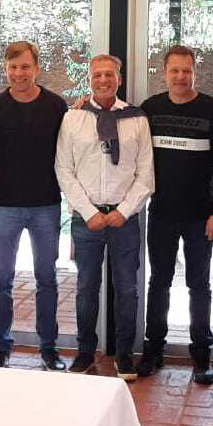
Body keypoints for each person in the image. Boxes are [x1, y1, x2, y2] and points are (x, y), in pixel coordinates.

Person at [135, 44, 213, 384]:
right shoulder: (150, 110)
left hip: (201, 216)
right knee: (159, 282)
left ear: (194, 72)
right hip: (161, 213)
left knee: (198, 284)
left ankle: (201, 354)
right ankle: (154, 350)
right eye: (174, 71)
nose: (180, 77)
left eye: (186, 71)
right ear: (164, 73)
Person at [56, 54, 154, 380]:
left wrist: (124, 211)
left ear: (119, 79)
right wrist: (88, 212)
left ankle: (124, 355)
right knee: (86, 287)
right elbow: (63, 170)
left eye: (109, 74)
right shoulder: (73, 118)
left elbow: (146, 174)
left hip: (124, 220)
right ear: (89, 79)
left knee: (127, 289)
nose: (103, 80)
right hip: (87, 219)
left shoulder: (136, 119)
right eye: (97, 74)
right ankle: (85, 352)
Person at [0, 41, 68, 370]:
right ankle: (1, 347)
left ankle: (49, 348)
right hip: (4, 205)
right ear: (6, 69)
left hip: (46, 205)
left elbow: (67, 151)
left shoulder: (56, 106)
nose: (19, 73)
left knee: (46, 278)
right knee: (2, 278)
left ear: (37, 68)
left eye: (25, 67)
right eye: (13, 67)